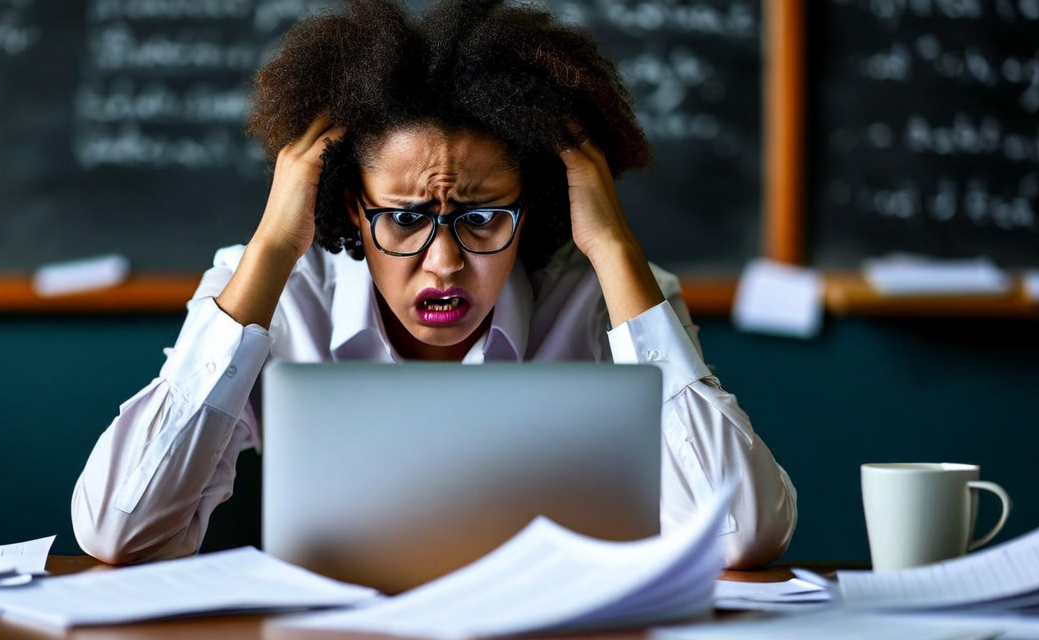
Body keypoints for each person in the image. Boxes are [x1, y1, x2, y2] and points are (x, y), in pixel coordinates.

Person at [71, 0, 796, 570]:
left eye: (482, 218)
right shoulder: (273, 293)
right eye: (407, 217)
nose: (444, 262)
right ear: (352, 205)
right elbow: (119, 533)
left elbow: (743, 537)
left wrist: (611, 243)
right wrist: (269, 249)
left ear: (532, 202)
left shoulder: (611, 297)